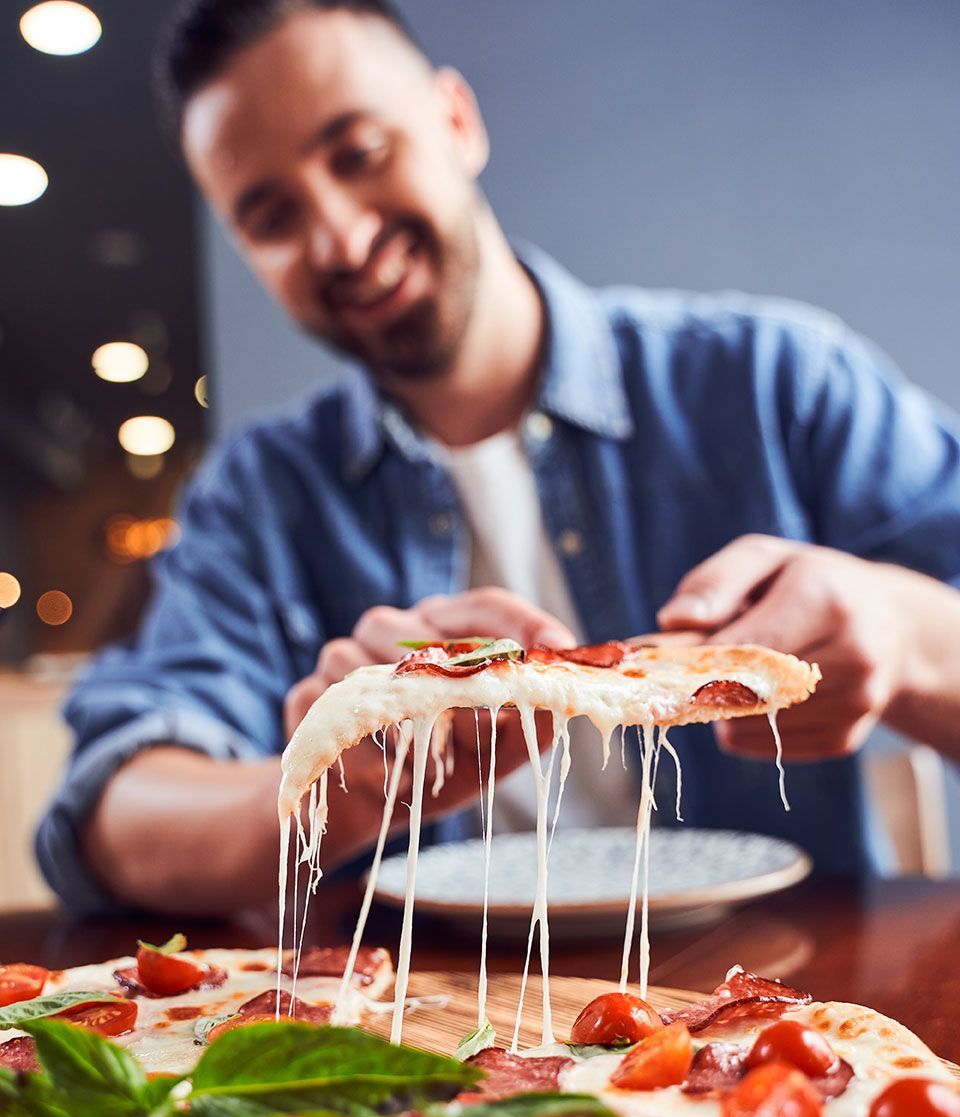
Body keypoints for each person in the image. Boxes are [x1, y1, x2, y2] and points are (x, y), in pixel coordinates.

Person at [36, 0, 960, 915]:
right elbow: (109, 820)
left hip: (788, 1016)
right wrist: (342, 782)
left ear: (455, 121)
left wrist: (899, 630)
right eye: (272, 217)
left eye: (360, 155)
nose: (344, 241)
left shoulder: (772, 382)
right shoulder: (257, 497)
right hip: (425, 1035)